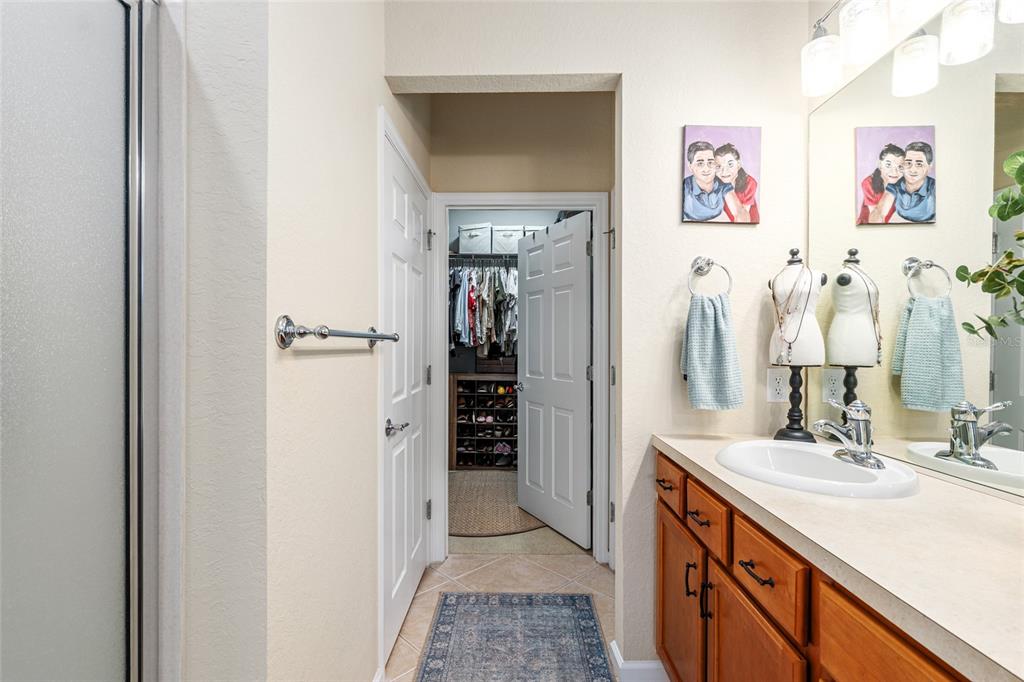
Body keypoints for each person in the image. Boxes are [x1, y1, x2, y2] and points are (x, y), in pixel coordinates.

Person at [683, 140, 732, 221]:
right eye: (700, 163)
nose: (706, 169)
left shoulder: (724, 183)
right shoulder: (684, 187)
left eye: (710, 162)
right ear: (690, 166)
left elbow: (738, 211)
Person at [887, 141, 936, 223]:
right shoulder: (894, 185)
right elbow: (880, 213)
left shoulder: (935, 188)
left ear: (929, 167)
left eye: (919, 164)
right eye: (908, 163)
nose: (912, 169)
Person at [857, 143, 904, 224]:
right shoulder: (869, 182)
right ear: (880, 164)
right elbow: (875, 219)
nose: (894, 172)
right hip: (868, 224)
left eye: (900, 167)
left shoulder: (904, 183)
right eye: (888, 165)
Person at [714, 143, 759, 223]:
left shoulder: (749, 182)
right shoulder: (716, 183)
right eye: (718, 166)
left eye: (730, 164)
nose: (724, 171)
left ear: (738, 164)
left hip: (749, 223)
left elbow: (743, 217)